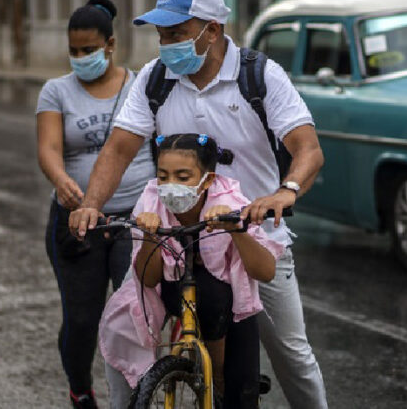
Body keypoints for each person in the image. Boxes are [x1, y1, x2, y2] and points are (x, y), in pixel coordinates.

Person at [70, 0, 328, 409]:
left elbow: (308, 149)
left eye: (176, 34)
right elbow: (119, 146)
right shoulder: (156, 78)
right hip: (175, 239)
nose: (166, 44)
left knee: (291, 354)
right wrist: (90, 205)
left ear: (212, 29)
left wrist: (286, 192)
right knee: (122, 328)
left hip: (252, 239)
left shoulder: (259, 75)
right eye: (161, 35)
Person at [99, 133, 285, 408]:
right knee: (121, 327)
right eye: (163, 176)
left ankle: (220, 378)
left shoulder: (230, 200)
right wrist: (150, 234)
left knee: (241, 389)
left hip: (229, 305)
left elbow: (265, 271)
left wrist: (235, 230)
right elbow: (148, 279)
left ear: (207, 180)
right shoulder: (151, 200)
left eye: (183, 177)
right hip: (170, 289)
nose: (170, 185)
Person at [36, 0, 155, 409]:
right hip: (77, 222)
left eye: (89, 49)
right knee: (83, 319)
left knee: (133, 317)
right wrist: (61, 178)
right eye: (74, 50)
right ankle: (81, 390)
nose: (81, 57)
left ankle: (137, 393)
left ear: (110, 45)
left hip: (135, 220)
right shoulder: (56, 91)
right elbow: (48, 148)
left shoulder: (141, 85)